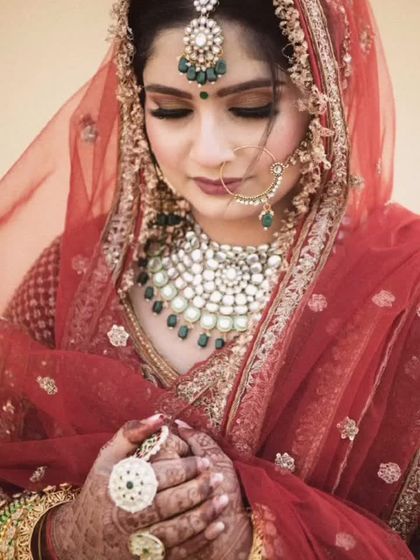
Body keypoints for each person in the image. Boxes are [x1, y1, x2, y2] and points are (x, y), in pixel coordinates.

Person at [0, 0, 419, 558]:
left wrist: (254, 540)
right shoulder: (73, 275)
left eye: (249, 107)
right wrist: (66, 535)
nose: (209, 151)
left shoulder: (402, 293)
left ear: (324, 100)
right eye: (171, 110)